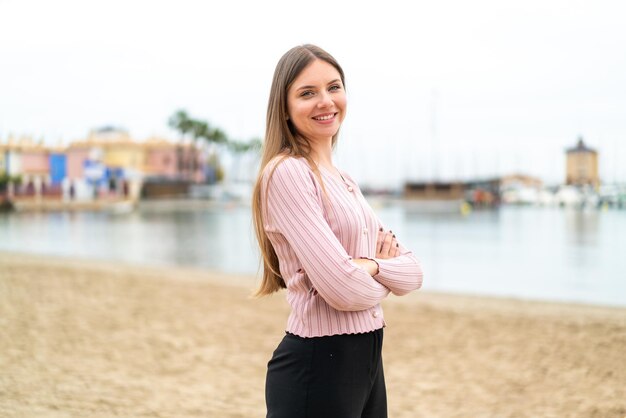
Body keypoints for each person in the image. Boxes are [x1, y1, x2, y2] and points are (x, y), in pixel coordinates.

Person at [252, 44, 424, 418]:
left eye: (334, 87)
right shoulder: (287, 173)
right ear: (284, 106)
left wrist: (372, 267)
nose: (325, 101)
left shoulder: (343, 179)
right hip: (318, 367)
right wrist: (365, 272)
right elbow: (343, 289)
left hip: (367, 362)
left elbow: (413, 273)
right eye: (307, 92)